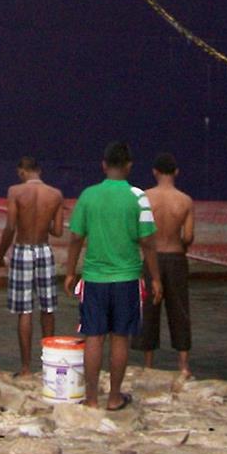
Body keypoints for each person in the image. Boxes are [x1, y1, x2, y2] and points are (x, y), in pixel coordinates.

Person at [64, 141, 161, 411]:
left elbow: (75, 237)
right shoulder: (138, 197)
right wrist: (155, 277)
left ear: (103, 165)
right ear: (129, 166)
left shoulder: (88, 196)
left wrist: (71, 272)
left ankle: (92, 398)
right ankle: (115, 397)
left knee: (93, 336)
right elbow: (149, 242)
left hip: (94, 278)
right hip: (127, 278)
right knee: (120, 337)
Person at [0, 156, 65, 376]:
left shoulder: (15, 192)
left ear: (22, 171)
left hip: (23, 250)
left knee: (24, 310)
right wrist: (43, 223)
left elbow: (10, 227)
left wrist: (0, 256)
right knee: (48, 308)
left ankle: (25, 368)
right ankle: (49, 365)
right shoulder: (55, 194)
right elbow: (59, 231)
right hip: (43, 250)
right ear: (39, 171)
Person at [132, 152, 196, 377]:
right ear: (176, 172)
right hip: (176, 257)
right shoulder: (185, 201)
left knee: (149, 309)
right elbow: (188, 236)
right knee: (179, 310)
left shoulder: (145, 197)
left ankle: (148, 365)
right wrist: (181, 245)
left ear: (154, 172)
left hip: (152, 258)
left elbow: (139, 232)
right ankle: (183, 366)